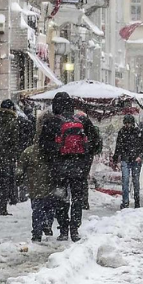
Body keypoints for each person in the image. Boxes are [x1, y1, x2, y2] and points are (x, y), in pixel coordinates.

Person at [40, 92, 92, 242]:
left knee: (61, 198)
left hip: (59, 167)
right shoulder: (82, 120)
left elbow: (43, 145)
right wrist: (85, 162)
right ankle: (75, 229)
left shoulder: (51, 122)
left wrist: (52, 160)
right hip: (79, 167)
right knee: (77, 199)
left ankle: (63, 229)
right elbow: (93, 143)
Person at [20, 121, 54, 242]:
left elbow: (20, 169)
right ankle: (47, 223)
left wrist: (19, 181)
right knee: (49, 208)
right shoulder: (51, 151)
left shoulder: (28, 152)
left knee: (37, 209)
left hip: (34, 186)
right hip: (49, 185)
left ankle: (36, 233)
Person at [114, 115, 143, 209]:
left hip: (135, 159)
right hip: (125, 159)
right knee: (125, 180)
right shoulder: (122, 132)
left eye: (129, 123)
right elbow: (118, 146)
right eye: (126, 123)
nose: (127, 125)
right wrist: (116, 157)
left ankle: (137, 201)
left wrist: (140, 156)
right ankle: (125, 202)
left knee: (135, 180)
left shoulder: (138, 132)